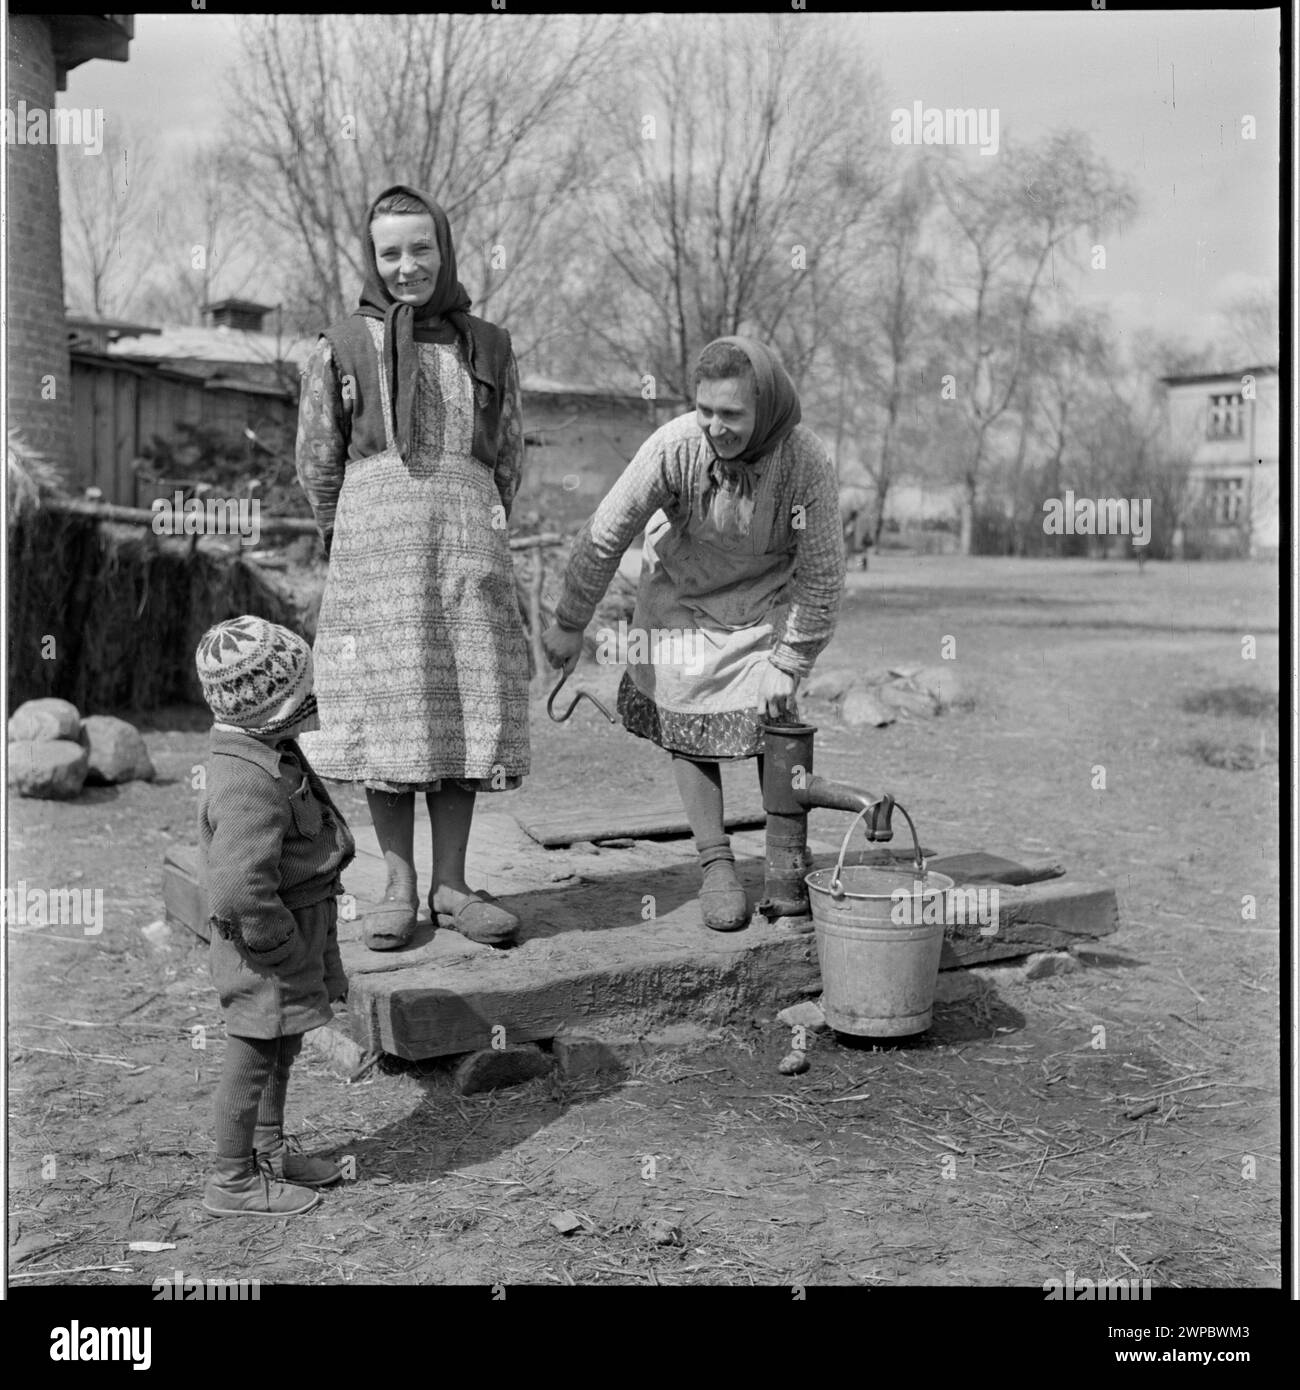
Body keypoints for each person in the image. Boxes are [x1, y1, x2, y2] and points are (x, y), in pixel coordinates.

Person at [542, 337, 845, 931]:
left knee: (775, 713)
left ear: (767, 409)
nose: (715, 426)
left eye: (731, 414)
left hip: (766, 600)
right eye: (706, 409)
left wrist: (791, 658)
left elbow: (823, 576)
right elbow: (607, 532)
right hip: (682, 592)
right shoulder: (675, 446)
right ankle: (716, 864)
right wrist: (569, 622)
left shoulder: (806, 463)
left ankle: (784, 857)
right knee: (685, 696)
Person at [296, 184, 530, 951]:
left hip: (466, 551)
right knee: (386, 714)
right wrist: (355, 533)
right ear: (373, 258)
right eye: (391, 252)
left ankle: (453, 886)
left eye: (421, 249)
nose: (407, 267)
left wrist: (481, 531)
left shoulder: (489, 345)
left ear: (444, 250)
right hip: (375, 559)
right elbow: (318, 463)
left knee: (463, 707)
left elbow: (510, 461)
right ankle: (397, 886)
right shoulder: (341, 345)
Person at [195, 616, 354, 1217]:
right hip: (267, 951)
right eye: (304, 689)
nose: (314, 698)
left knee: (281, 1049)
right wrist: (279, 945)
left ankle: (268, 1152)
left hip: (293, 935)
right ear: (274, 704)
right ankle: (231, 1181)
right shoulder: (247, 781)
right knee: (253, 1057)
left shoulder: (269, 750)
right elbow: (237, 888)